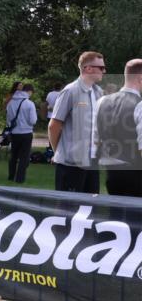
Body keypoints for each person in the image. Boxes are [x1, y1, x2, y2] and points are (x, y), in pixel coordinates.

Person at [49, 51, 105, 194]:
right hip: (71, 164)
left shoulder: (98, 92)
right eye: (101, 68)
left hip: (92, 162)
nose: (104, 71)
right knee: (67, 211)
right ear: (88, 68)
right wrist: (59, 153)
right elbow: (54, 126)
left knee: (89, 210)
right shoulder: (70, 91)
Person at [94, 59, 142, 197]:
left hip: (111, 172)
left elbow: (95, 140)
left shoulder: (101, 102)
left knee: (115, 216)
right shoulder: (139, 105)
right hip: (135, 172)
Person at [5, 83, 37, 184]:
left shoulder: (10, 103)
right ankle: (20, 178)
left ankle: (11, 176)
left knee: (13, 156)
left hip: (14, 133)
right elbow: (33, 121)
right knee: (24, 157)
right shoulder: (29, 103)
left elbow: (8, 119)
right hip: (26, 133)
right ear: (29, 91)